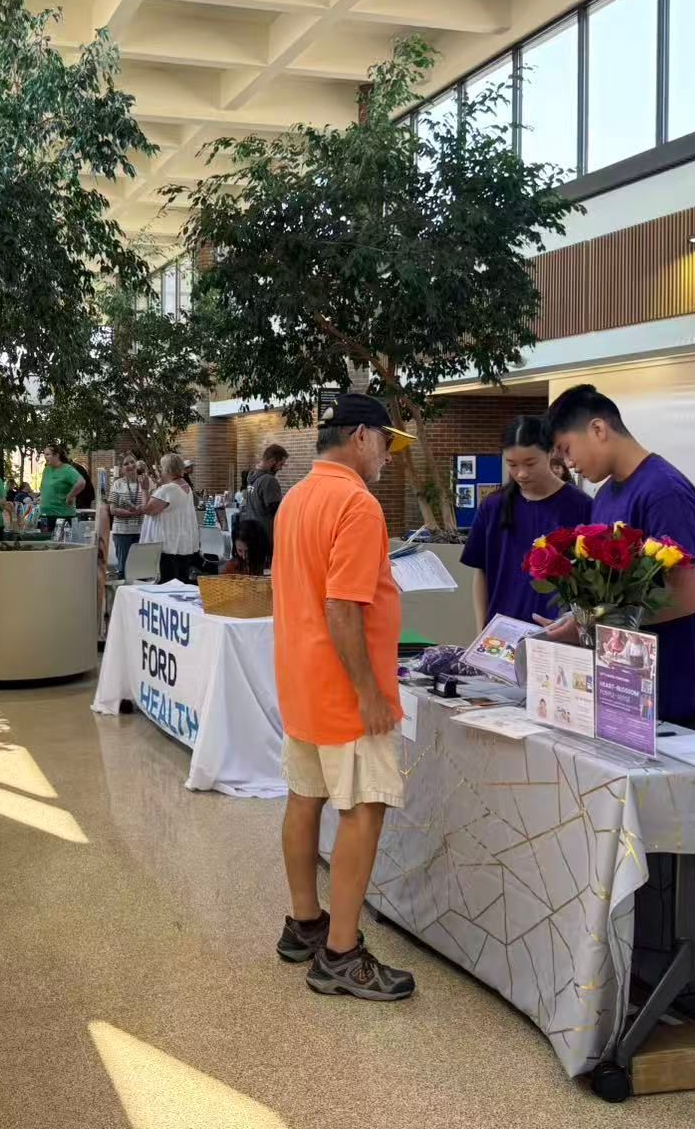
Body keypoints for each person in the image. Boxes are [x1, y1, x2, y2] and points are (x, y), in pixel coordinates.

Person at [272, 394, 417, 1000]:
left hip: (302, 684)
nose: (389, 457)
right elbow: (342, 606)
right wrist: (370, 693)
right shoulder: (357, 504)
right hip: (344, 694)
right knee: (362, 811)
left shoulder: (296, 498)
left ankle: (305, 923)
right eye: (387, 443)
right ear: (361, 436)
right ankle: (340, 954)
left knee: (304, 798)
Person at [546, 385, 695, 730]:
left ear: (598, 430)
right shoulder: (604, 495)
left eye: (567, 449)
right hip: (625, 674)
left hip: (672, 677)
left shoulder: (664, 492)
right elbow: (605, 588)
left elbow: (687, 598)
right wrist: (577, 616)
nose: (569, 464)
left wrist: (591, 623)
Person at [462, 415, 592, 628]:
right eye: (512, 464)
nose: (521, 474)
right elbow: (482, 572)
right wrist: (480, 628)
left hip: (556, 633)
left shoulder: (581, 507)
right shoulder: (493, 506)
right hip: (500, 635)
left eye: (530, 463)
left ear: (551, 453)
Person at [140, 453, 201, 583]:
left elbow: (148, 510)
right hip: (182, 544)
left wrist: (144, 490)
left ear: (167, 469)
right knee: (181, 582)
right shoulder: (185, 485)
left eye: (162, 468)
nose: (161, 471)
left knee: (167, 584)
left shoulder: (168, 489)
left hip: (167, 545)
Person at [239, 444, 289, 554]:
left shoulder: (251, 478)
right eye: (280, 464)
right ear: (272, 461)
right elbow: (275, 510)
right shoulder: (269, 480)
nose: (280, 468)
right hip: (266, 536)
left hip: (251, 534)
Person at [105, 452, 145, 573]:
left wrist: (141, 509)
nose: (130, 465)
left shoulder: (145, 482)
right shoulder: (117, 484)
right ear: (121, 469)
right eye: (126, 464)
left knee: (141, 570)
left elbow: (150, 504)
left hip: (142, 531)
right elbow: (112, 510)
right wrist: (132, 513)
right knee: (124, 569)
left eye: (132, 462)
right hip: (122, 532)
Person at [38, 444, 83, 532]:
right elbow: (45, 488)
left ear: (56, 455)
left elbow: (81, 482)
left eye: (48, 454)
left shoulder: (67, 469)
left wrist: (70, 496)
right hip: (45, 515)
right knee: (47, 544)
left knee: (60, 544)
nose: (45, 457)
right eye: (44, 454)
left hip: (62, 516)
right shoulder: (46, 469)